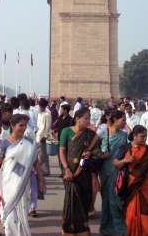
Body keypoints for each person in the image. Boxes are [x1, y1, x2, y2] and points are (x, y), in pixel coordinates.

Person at [0, 114, 45, 236]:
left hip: (23, 184)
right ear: (12, 126)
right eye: (20, 125)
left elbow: (36, 164)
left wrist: (41, 181)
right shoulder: (3, 143)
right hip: (8, 185)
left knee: (22, 212)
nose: (23, 128)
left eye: (25, 125)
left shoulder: (30, 143)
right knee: (9, 216)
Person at [114, 125, 148, 236]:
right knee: (130, 213)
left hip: (146, 185)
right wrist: (125, 160)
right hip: (130, 186)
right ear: (134, 136)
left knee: (146, 212)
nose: (145, 139)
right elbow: (115, 163)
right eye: (142, 136)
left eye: (146, 136)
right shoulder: (125, 148)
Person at [59, 107, 99, 236]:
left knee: (84, 200)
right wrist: (66, 169)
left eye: (89, 118)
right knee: (71, 201)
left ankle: (82, 229)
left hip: (84, 172)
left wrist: (90, 153)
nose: (88, 121)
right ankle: (68, 230)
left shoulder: (91, 135)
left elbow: (97, 152)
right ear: (77, 119)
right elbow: (62, 152)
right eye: (86, 118)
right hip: (69, 173)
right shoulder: (66, 131)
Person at [99, 110, 127, 236]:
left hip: (119, 171)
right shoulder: (103, 133)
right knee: (106, 200)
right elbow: (98, 151)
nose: (124, 123)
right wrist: (102, 154)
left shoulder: (124, 135)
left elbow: (126, 151)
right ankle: (105, 227)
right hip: (106, 171)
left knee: (116, 200)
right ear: (115, 119)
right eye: (123, 120)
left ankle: (118, 228)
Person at [36, 98, 52, 176]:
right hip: (38, 136)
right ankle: (44, 170)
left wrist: (45, 136)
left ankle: (45, 171)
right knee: (40, 154)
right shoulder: (39, 114)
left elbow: (48, 127)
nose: (39, 107)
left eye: (40, 106)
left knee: (42, 155)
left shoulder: (47, 114)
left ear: (43, 106)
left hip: (43, 137)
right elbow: (39, 126)